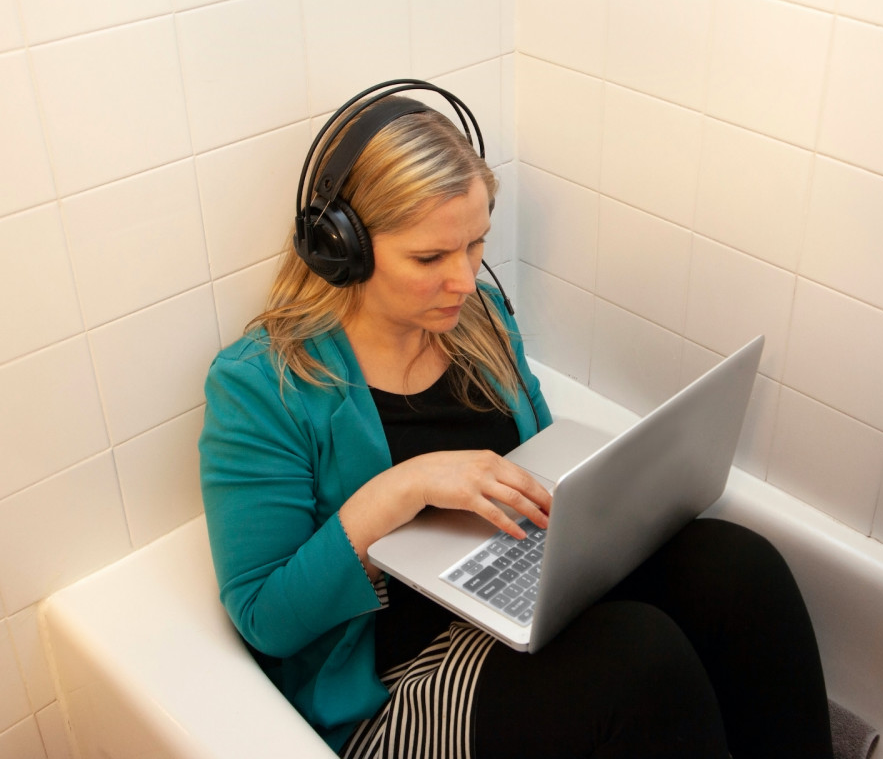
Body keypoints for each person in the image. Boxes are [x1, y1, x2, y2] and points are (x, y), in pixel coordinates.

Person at [199, 81, 834, 759]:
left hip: (516, 592)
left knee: (737, 568)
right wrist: (404, 487)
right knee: (639, 661)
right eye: (429, 258)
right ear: (341, 247)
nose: (464, 279)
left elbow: (545, 467)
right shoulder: (261, 386)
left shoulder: (479, 321)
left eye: (475, 243)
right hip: (400, 679)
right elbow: (266, 619)